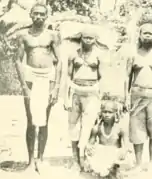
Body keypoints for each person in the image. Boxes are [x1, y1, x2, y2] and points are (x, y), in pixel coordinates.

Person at [13, 3, 62, 173]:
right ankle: (30, 161)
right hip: (30, 77)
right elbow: (18, 60)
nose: (39, 17)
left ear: (46, 16)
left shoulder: (53, 35)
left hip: (47, 77)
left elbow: (60, 61)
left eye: (42, 14)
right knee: (30, 120)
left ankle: (40, 159)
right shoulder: (23, 35)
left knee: (44, 121)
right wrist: (24, 86)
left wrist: (56, 87)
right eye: (36, 14)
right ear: (31, 15)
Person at [64, 26, 108, 172]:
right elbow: (68, 77)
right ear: (81, 38)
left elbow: (102, 78)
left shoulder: (99, 55)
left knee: (89, 127)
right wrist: (66, 97)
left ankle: (86, 160)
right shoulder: (73, 54)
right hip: (76, 91)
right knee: (73, 126)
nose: (88, 40)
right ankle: (75, 159)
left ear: (95, 40)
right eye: (85, 37)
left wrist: (101, 97)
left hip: (92, 92)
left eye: (91, 38)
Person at [127, 22, 152, 173]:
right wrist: (126, 97)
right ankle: (138, 164)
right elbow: (127, 77)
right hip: (136, 94)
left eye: (151, 33)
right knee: (137, 131)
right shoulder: (133, 53)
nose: (148, 36)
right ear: (140, 35)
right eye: (145, 33)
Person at [83, 100, 129, 178]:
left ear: (115, 113)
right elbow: (90, 143)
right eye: (105, 112)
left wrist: (124, 151)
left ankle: (113, 170)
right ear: (101, 113)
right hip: (102, 153)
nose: (107, 115)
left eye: (110, 112)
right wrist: (89, 147)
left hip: (115, 154)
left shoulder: (121, 128)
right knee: (93, 157)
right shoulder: (96, 128)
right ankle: (106, 171)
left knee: (122, 159)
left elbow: (127, 146)